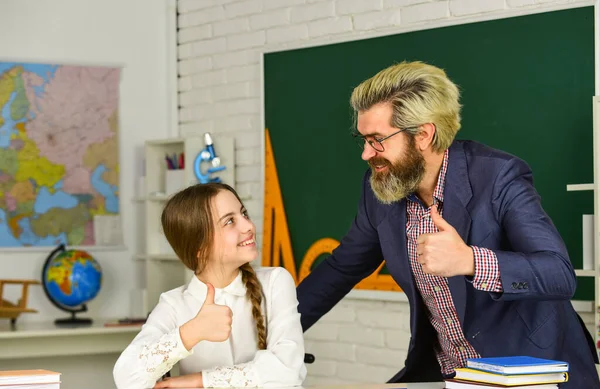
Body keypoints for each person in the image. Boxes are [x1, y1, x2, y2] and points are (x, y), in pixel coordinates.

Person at [296, 61, 600, 388]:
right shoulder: (382, 190)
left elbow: (558, 273)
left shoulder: (499, 177)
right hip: (452, 377)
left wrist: (470, 261)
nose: (367, 154)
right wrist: (264, 330)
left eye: (377, 139)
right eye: (364, 140)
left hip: (536, 373)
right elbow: (341, 269)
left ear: (424, 134)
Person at [114, 183, 306, 389]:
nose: (248, 226)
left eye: (244, 213)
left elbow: (288, 370)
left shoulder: (275, 281)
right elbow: (126, 378)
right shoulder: (173, 304)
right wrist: (191, 332)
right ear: (199, 246)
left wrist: (200, 380)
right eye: (230, 221)